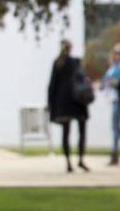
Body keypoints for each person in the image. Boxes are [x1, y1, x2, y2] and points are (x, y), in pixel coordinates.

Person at [46, 40, 90, 173]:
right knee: (81, 132)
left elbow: (52, 85)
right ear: (70, 48)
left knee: (66, 133)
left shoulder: (58, 63)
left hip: (64, 101)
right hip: (78, 101)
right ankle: (80, 159)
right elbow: (84, 80)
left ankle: (68, 163)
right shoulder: (76, 62)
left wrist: (50, 104)